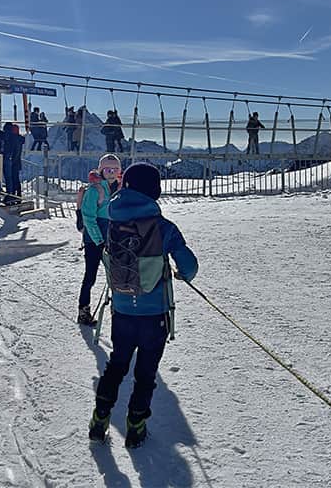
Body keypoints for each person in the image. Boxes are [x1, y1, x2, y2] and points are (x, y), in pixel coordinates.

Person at [88, 163, 197, 448]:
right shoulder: (163, 228)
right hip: (154, 314)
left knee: (117, 364)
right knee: (145, 372)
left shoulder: (113, 221)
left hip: (122, 311)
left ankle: (100, 417)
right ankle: (136, 425)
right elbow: (190, 266)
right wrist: (181, 273)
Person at [77, 153, 123, 325]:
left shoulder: (119, 189)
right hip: (94, 240)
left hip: (111, 239)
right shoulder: (95, 190)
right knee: (91, 276)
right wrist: (99, 240)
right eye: (108, 169)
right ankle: (83, 311)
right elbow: (88, 217)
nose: (111, 173)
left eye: (115, 170)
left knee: (117, 276)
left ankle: (119, 310)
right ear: (101, 171)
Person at [2, 123, 24, 203]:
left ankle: (13, 196)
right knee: (16, 180)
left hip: (13, 162)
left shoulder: (13, 139)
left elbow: (12, 151)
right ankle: (17, 196)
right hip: (16, 162)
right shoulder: (19, 139)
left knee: (11, 179)